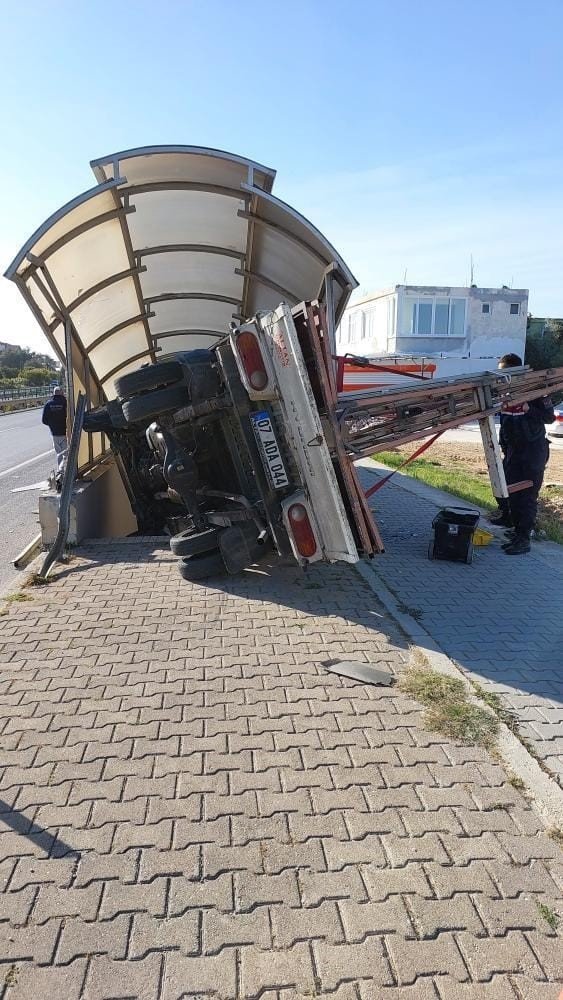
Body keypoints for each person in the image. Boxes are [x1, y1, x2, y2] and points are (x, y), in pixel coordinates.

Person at [494, 353, 554, 555]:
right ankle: (516, 529)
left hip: (533, 452)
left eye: (506, 373)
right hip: (513, 451)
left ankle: (524, 539)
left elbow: (549, 417)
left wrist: (529, 409)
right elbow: (505, 422)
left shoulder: (535, 390)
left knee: (527, 496)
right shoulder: (506, 393)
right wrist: (504, 445)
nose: (503, 377)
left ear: (517, 371)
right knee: (510, 491)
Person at [42, 386, 67, 476]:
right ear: (61, 393)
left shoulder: (48, 404)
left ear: (54, 393)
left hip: (54, 433)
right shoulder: (65, 402)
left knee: (59, 453)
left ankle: (60, 471)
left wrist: (52, 425)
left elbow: (44, 420)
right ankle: (66, 471)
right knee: (66, 452)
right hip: (65, 432)